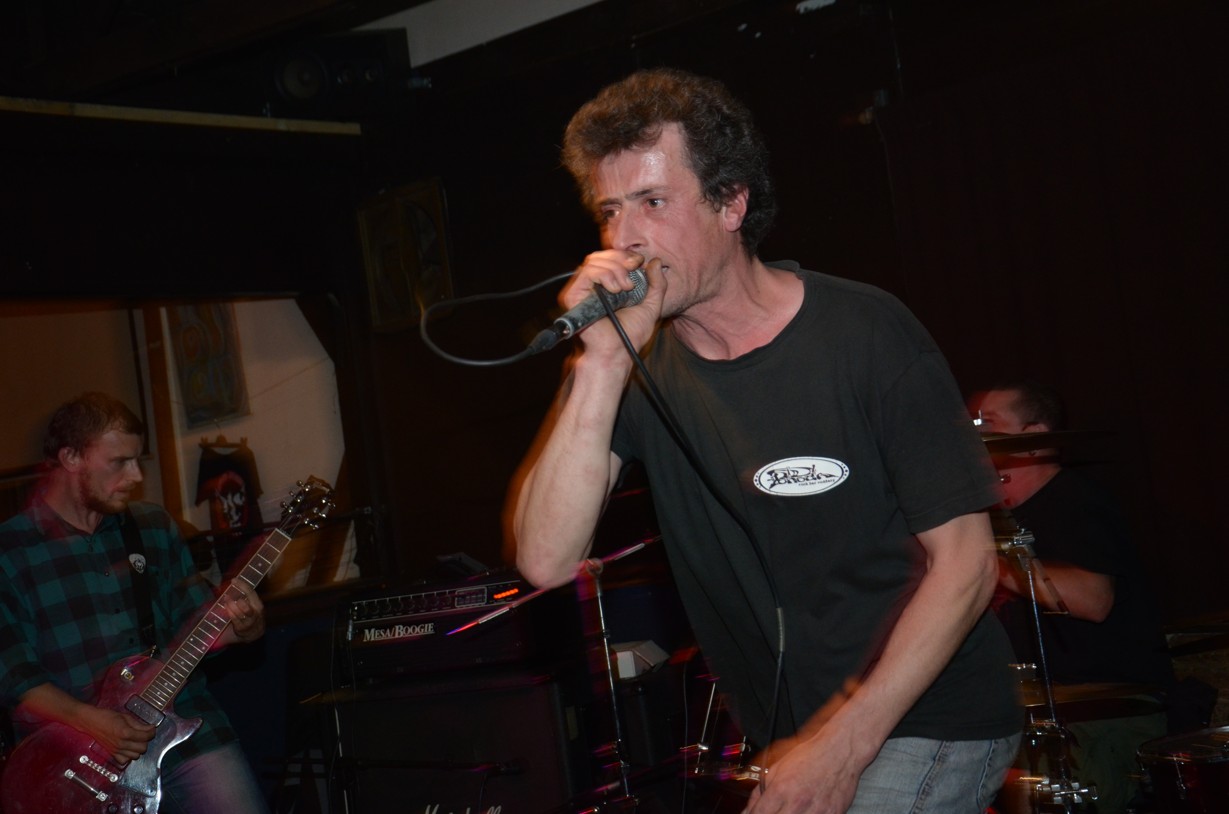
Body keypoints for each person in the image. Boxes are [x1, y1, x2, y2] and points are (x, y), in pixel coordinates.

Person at [509, 67, 1021, 814]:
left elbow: (969, 562)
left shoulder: (863, 332)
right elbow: (545, 559)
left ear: (731, 203)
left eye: (653, 202)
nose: (625, 238)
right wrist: (603, 363)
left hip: (929, 717)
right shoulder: (628, 365)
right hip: (792, 736)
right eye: (610, 210)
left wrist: (843, 746)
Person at [0, 392, 271, 813]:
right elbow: (14, 678)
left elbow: (198, 624)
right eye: (119, 462)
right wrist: (92, 722)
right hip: (72, 757)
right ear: (71, 458)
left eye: (137, 460)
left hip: (182, 721)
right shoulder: (11, 549)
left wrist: (246, 626)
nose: (135, 475)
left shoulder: (151, 525)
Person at [968, 380, 1174, 814]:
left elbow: (1094, 599)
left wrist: (991, 565)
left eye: (989, 423)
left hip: (1106, 715)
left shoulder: (1076, 501)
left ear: (1033, 437)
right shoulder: (993, 518)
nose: (976, 432)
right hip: (1031, 712)